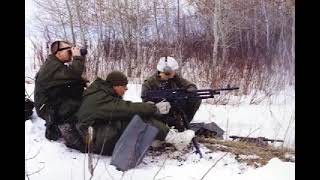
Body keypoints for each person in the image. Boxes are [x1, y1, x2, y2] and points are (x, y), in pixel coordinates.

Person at [75, 71, 195, 155]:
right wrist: (154, 108)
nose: (126, 89)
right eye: (124, 86)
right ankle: (176, 139)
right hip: (95, 140)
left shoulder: (100, 93)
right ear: (115, 86)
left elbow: (121, 107)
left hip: (94, 133)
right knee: (137, 119)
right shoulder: (100, 99)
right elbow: (126, 108)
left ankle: (158, 136)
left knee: (133, 116)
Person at [34, 40, 87, 141]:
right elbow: (74, 73)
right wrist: (77, 57)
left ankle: (63, 120)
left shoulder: (55, 63)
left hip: (52, 101)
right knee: (80, 105)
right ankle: (54, 126)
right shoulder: (52, 67)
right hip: (47, 109)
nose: (71, 53)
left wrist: (81, 81)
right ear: (58, 53)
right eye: (69, 50)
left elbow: (69, 77)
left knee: (78, 87)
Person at [141, 56, 202, 131]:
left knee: (195, 98)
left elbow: (190, 85)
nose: (175, 72)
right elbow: (145, 105)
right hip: (159, 114)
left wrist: (189, 91)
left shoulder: (174, 78)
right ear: (167, 72)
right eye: (173, 71)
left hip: (173, 108)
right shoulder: (148, 84)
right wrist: (158, 106)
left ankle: (183, 124)